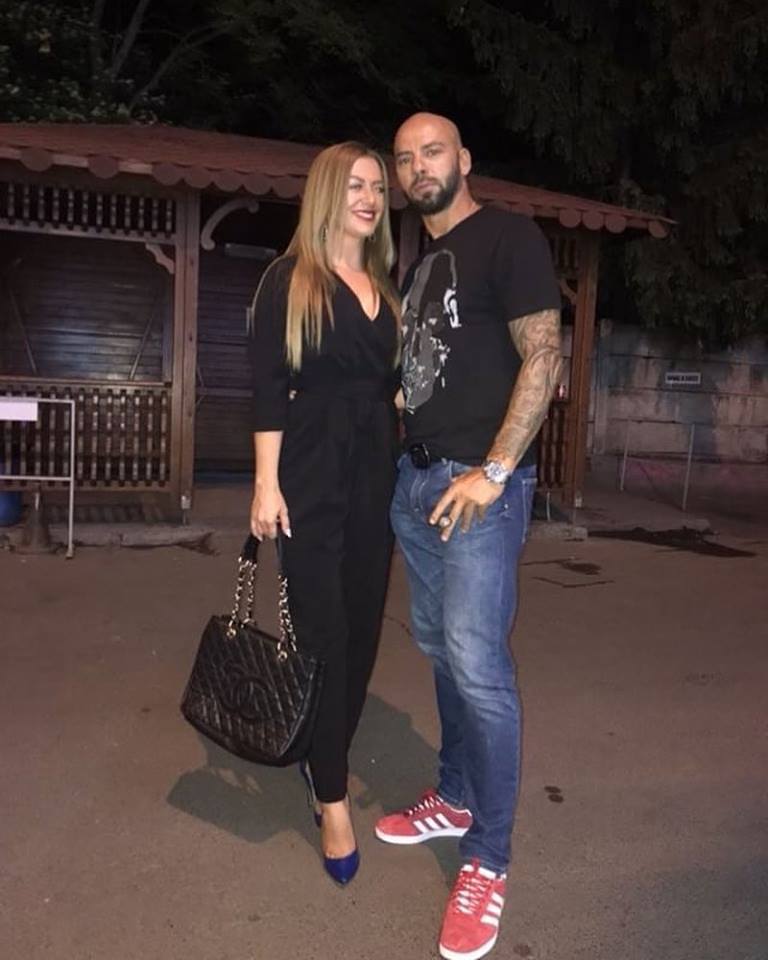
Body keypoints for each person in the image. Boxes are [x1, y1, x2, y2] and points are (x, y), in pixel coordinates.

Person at [374, 113, 563, 959]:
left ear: (464, 159)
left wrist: (493, 469)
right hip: (417, 483)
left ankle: (487, 857)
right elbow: (415, 379)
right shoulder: (420, 268)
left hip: (478, 486)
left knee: (479, 667)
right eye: (405, 158)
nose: (418, 167)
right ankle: (453, 797)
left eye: (432, 151)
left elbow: (544, 354)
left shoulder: (509, 239)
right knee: (440, 649)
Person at [249, 141, 400, 886]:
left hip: (377, 472)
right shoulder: (292, 278)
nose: (369, 198)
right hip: (309, 469)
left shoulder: (386, 289)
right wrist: (265, 484)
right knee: (323, 628)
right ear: (327, 195)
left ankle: (321, 748)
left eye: (378, 187)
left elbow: (396, 386)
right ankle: (332, 796)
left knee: (364, 624)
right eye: (355, 185)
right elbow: (268, 386)